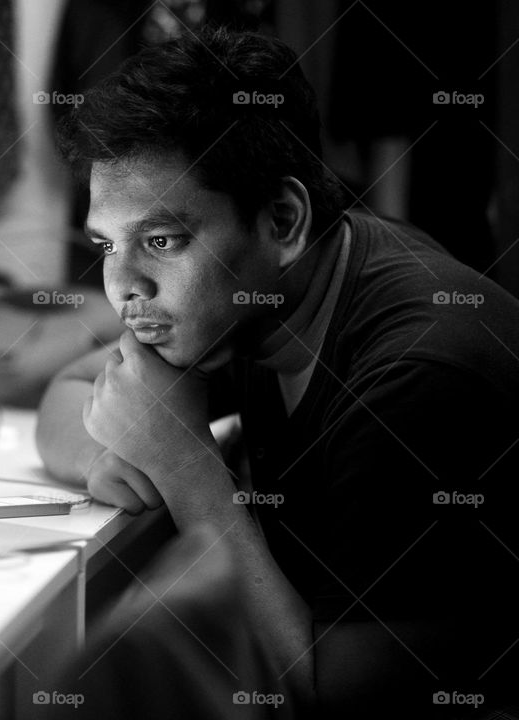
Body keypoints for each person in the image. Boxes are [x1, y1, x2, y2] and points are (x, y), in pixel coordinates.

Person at [34, 26, 519, 718]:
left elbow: (319, 698)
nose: (122, 287)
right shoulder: (260, 297)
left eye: (162, 240)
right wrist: (108, 456)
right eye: (108, 246)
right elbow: (70, 391)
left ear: (282, 222)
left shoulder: (416, 379)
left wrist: (184, 465)